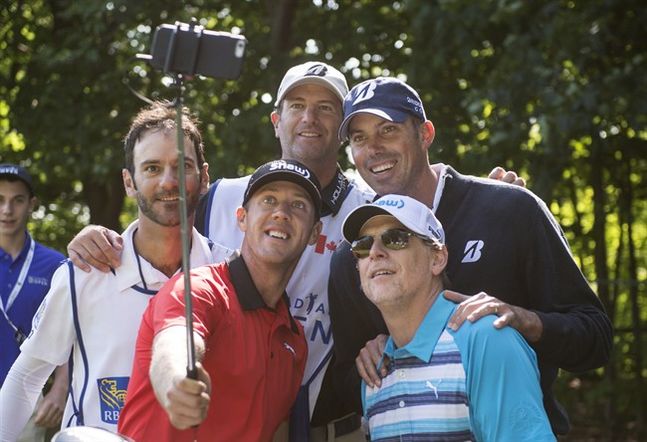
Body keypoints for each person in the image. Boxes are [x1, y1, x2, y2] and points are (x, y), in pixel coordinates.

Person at [66, 62, 524, 441]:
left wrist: (493, 194)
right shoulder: (224, 197)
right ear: (276, 119)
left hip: (341, 415)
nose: (310, 118)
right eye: (297, 106)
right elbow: (165, 232)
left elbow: (433, 220)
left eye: (326, 108)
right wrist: (108, 239)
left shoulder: (374, 208)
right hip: (217, 406)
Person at [328, 76, 613, 436]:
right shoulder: (357, 254)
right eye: (359, 138)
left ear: (425, 133)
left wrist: (526, 322)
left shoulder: (509, 209)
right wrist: (370, 359)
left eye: (388, 130)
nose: (373, 148)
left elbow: (596, 339)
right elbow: (348, 387)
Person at [0, 102, 215, 439]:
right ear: (129, 182)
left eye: (182, 166)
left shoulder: (228, 273)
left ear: (204, 177)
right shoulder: (84, 272)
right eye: (153, 168)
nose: (168, 182)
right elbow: (27, 376)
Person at [118, 159, 323, 441]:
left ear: (314, 232)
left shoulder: (295, 340)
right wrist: (178, 380)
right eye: (269, 200)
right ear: (242, 218)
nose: (281, 213)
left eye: (298, 205)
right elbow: (176, 342)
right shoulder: (198, 288)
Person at [342, 194, 555, 440]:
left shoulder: (486, 339)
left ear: (437, 259)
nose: (375, 252)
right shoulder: (374, 371)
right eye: (363, 245)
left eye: (395, 239)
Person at [0, 163, 67, 442]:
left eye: (17, 200)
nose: (7, 210)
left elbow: (70, 332)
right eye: (0, 200)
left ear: (31, 205)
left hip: (26, 395)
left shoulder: (55, 265)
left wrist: (60, 389)